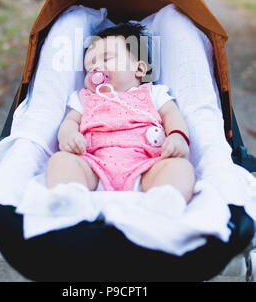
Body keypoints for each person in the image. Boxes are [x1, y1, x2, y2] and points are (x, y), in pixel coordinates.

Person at [46, 22, 195, 211]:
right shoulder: (85, 98)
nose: (95, 68)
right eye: (89, 66)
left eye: (106, 59)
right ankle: (69, 196)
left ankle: (165, 199)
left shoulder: (153, 93)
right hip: (94, 166)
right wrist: (68, 136)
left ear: (139, 70)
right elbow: (70, 122)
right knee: (62, 160)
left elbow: (172, 114)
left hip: (146, 166)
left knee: (180, 167)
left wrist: (177, 136)